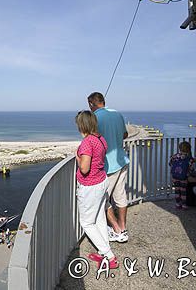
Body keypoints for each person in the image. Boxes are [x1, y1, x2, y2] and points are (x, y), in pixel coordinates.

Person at [75, 110, 118, 268]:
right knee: (99, 217)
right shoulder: (100, 139)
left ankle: (109, 256)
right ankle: (104, 252)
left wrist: (78, 157)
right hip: (101, 181)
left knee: (86, 223)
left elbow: (85, 168)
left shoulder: (87, 142)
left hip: (90, 186)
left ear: (82, 125)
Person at [88, 92, 130, 243]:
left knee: (102, 199)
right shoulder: (117, 114)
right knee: (120, 196)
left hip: (107, 165)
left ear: (91, 104)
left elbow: (92, 140)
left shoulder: (94, 118)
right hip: (122, 160)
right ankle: (123, 228)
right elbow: (125, 134)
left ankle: (116, 229)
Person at [169, 141, 194, 209]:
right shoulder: (189, 159)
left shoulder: (175, 156)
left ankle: (177, 203)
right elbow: (191, 168)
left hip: (175, 176)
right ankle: (184, 205)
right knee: (183, 191)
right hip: (183, 177)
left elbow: (170, 164)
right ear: (189, 149)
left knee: (177, 190)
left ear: (179, 148)